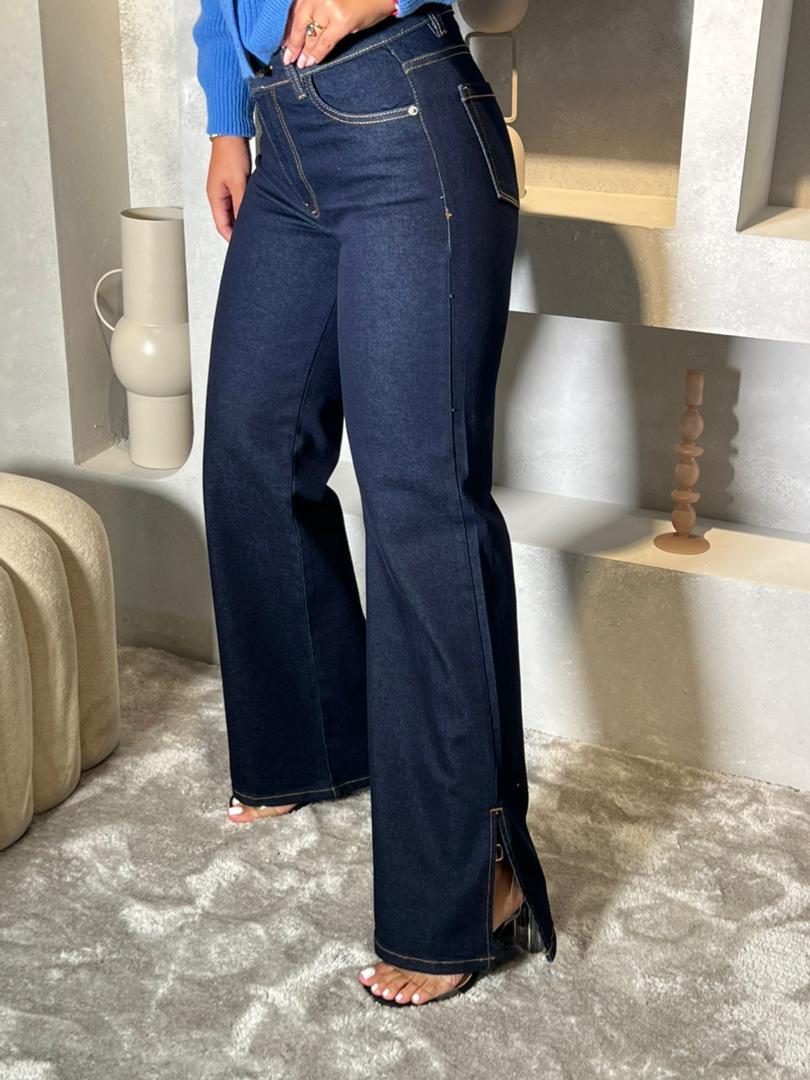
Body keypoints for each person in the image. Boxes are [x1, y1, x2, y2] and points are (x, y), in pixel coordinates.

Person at [194, 0, 557, 1006]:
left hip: (405, 120)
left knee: (420, 509)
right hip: (284, 134)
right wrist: (227, 118)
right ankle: (314, 744)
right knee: (250, 452)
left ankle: (471, 887)